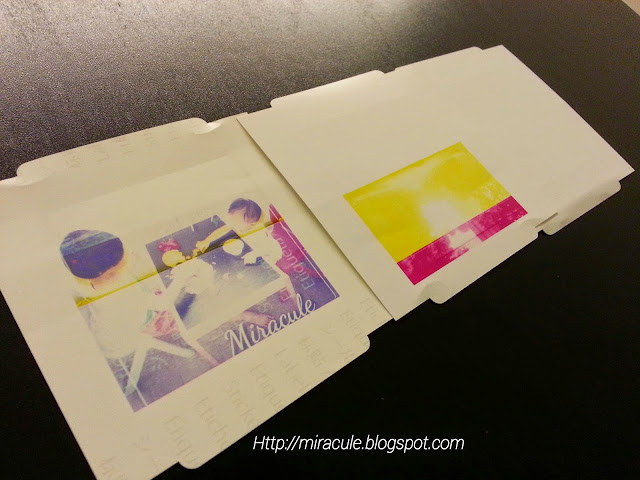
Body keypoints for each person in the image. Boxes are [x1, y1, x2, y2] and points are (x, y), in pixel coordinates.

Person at [60, 230, 218, 397]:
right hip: (121, 344)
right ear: (109, 271)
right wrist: (180, 279)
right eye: (122, 256)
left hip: (107, 327)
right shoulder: (122, 297)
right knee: (171, 314)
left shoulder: (88, 281)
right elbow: (163, 303)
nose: (127, 254)